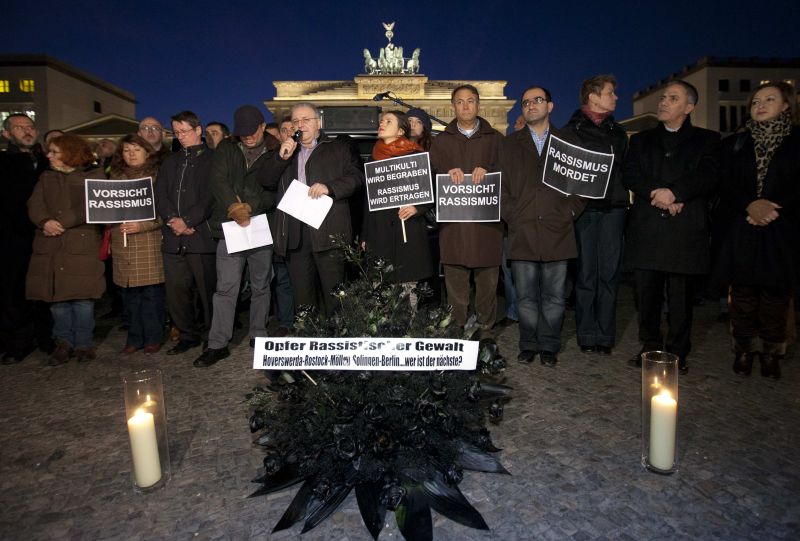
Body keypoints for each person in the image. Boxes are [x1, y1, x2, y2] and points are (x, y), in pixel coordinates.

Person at [624, 80, 720, 375]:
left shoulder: (708, 140)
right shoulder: (641, 140)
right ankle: (649, 345)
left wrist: (676, 193)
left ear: (689, 107)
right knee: (647, 295)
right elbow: (631, 174)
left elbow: (708, 175)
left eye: (673, 98)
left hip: (684, 229)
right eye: (664, 97)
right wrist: (659, 194)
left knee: (680, 298)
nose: (663, 102)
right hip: (648, 228)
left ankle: (678, 351)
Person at [713, 82, 799, 379]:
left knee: (776, 294)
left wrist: (773, 208)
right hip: (743, 224)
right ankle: (744, 349)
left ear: (786, 105)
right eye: (755, 101)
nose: (759, 105)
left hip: (781, 228)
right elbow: (725, 182)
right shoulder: (735, 144)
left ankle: (773, 352)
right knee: (744, 293)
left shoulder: (796, 142)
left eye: (769, 99)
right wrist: (750, 205)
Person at [502, 86, 586, 367]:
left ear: (550, 106)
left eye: (538, 100)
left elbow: (582, 185)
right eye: (526, 102)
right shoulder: (509, 144)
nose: (531, 105)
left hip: (558, 230)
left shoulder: (569, 142)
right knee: (524, 296)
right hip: (522, 230)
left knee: (554, 296)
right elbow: (499, 187)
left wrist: (571, 210)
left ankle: (549, 344)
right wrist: (510, 214)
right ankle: (528, 342)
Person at [194, 105, 276, 367]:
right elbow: (218, 180)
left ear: (263, 126)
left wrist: (250, 206)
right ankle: (218, 343)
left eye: (251, 132)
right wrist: (234, 206)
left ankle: (258, 334)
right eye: (242, 133)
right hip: (230, 226)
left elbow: (275, 189)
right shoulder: (226, 149)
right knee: (226, 287)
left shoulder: (276, 151)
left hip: (261, 224)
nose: (247, 137)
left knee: (261, 284)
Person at [264, 102, 364, 317]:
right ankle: (307, 338)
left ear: (318, 123)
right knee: (303, 297)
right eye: (296, 121)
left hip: (328, 231)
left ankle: (338, 338)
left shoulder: (338, 148)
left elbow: (356, 178)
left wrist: (330, 187)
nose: (300, 124)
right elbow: (266, 181)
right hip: (295, 234)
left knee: (334, 294)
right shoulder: (285, 152)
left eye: (305, 120)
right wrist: (281, 157)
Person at [429, 85, 503, 342]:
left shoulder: (496, 139)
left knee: (487, 284)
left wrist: (491, 170)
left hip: (486, 227)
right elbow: (431, 176)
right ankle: (457, 330)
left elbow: (509, 174)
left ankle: (485, 331)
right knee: (456, 283)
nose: (465, 106)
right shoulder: (440, 141)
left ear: (478, 105)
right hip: (455, 225)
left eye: (470, 101)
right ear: (453, 106)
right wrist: (445, 174)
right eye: (460, 102)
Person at [563, 74, 629, 356]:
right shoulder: (571, 131)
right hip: (585, 210)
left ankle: (605, 335)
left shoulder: (618, 132)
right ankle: (586, 334)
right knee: (587, 274)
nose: (615, 98)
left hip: (614, 207)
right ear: (593, 97)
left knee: (610, 274)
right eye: (611, 93)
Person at [26, 134, 105, 364]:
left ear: (69, 153)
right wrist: (44, 221)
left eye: (54, 152)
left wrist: (63, 222)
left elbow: (92, 205)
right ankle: (63, 342)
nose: (49, 156)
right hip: (51, 244)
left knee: (82, 298)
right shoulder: (46, 177)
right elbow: (35, 203)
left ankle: (83, 343)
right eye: (49, 152)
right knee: (58, 299)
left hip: (80, 243)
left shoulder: (92, 175)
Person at [156, 111, 217, 355]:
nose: (180, 136)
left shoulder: (213, 159)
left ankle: (215, 335)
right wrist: (173, 220)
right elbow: (160, 194)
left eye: (185, 131)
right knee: (177, 292)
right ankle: (187, 334)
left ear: (198, 129)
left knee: (208, 291)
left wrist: (189, 220)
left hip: (200, 237)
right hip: (173, 238)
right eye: (176, 132)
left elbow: (211, 196)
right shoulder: (170, 161)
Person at [362, 111, 434, 302]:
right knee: (381, 288)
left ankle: (409, 330)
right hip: (379, 233)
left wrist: (417, 207)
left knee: (407, 290)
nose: (382, 124)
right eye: (381, 121)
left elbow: (430, 191)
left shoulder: (416, 155)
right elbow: (368, 201)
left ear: (401, 130)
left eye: (388, 121)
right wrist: (365, 235)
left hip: (407, 230)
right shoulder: (373, 159)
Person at [108, 134, 166, 354]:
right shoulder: (114, 178)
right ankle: (134, 337)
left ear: (147, 152)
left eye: (136, 149)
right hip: (123, 243)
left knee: (151, 295)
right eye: (126, 150)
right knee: (129, 295)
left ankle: (153, 337)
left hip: (148, 243)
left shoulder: (157, 178)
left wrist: (140, 226)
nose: (131, 154)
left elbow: (164, 213)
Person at [0, 114, 51, 364]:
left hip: (45, 237)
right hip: (13, 238)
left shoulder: (47, 162)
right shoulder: (5, 162)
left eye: (30, 126)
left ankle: (46, 336)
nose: (27, 131)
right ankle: (17, 341)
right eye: (19, 128)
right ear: (7, 134)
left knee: (44, 290)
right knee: (13, 291)